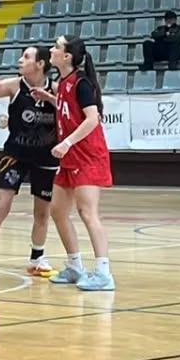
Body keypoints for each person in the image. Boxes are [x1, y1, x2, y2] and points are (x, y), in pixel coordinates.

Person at [0, 46, 58, 277]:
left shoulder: (56, 89)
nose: (20, 60)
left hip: (46, 156)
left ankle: (37, 258)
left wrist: (51, 98)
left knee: (42, 212)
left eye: (27, 57)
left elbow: (71, 113)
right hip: (16, 154)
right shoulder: (15, 85)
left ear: (40, 64)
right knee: (2, 205)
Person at [43, 34, 114, 292]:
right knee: (58, 211)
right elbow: (69, 110)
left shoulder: (82, 83)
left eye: (56, 47)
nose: (51, 50)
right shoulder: (62, 83)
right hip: (71, 156)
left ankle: (104, 273)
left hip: (88, 155)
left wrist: (66, 142)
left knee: (87, 213)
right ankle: (75, 266)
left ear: (67, 56)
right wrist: (51, 99)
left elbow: (92, 119)